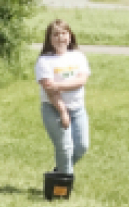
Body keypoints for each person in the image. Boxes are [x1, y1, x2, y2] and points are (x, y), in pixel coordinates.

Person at [36, 20, 90, 175]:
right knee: (65, 148)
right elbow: (50, 91)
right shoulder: (44, 61)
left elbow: (81, 81)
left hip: (78, 108)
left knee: (82, 146)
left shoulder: (78, 57)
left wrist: (57, 85)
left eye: (64, 33)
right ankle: (64, 183)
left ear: (70, 36)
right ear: (49, 39)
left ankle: (60, 171)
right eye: (55, 34)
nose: (60, 37)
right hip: (53, 109)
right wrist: (63, 112)